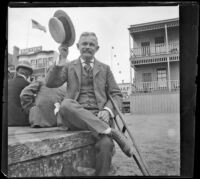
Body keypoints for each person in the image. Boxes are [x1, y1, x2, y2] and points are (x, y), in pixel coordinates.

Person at [45, 32, 133, 176]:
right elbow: (50, 83)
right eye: (84, 44)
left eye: (91, 44)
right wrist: (61, 58)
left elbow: (117, 94)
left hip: (99, 117)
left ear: (97, 48)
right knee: (66, 104)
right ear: (78, 46)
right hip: (74, 117)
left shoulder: (105, 69)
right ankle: (112, 132)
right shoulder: (68, 66)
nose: (87, 47)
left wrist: (107, 110)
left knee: (106, 145)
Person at [8, 60, 33, 126]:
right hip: (21, 121)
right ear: (28, 74)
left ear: (17, 71)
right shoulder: (28, 85)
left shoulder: (8, 83)